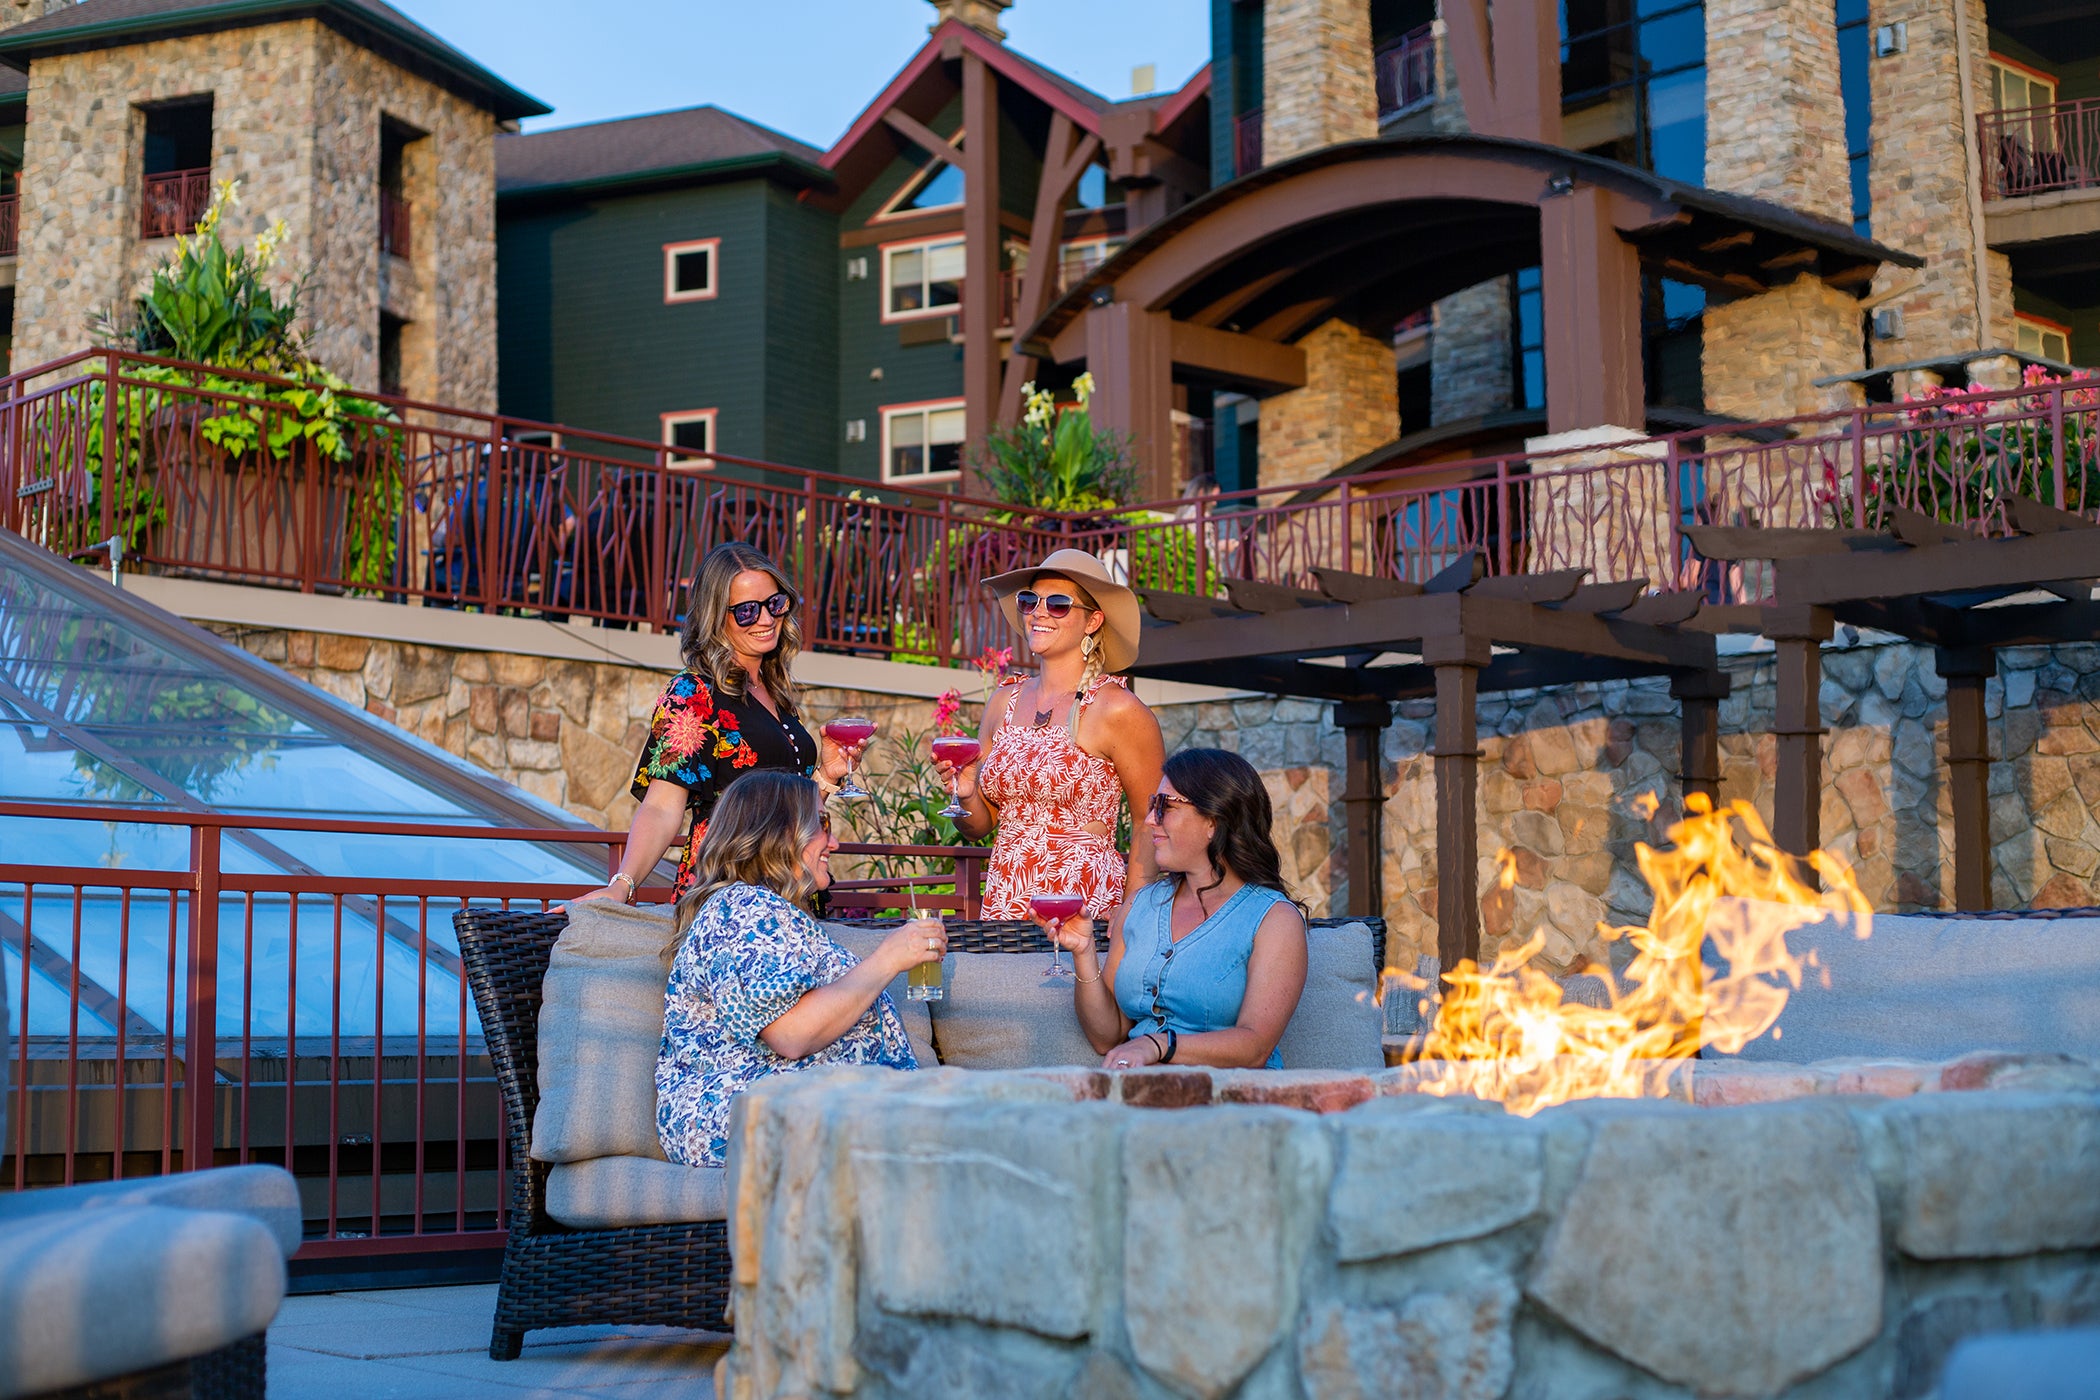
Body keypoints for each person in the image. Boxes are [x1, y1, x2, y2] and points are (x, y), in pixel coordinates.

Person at [655, 772, 943, 1167]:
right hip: (749, 1114)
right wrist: (889, 957)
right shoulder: (742, 910)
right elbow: (790, 1034)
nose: (835, 842)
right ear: (778, 831)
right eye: (822, 824)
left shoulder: (772, 914)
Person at [573, 542, 862, 905]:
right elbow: (662, 806)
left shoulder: (775, 692)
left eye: (774, 604)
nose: (766, 619)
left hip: (789, 890)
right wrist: (622, 885)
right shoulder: (693, 693)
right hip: (727, 893)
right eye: (746, 611)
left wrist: (827, 775)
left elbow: (785, 810)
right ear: (715, 617)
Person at [1036, 749, 1308, 1070]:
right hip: (1142, 1097)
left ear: (1213, 821)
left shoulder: (1274, 920)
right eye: (1153, 805)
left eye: (1166, 806)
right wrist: (1084, 952)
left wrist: (1159, 1044)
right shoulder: (1141, 905)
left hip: (1231, 1102)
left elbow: (1255, 1046)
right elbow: (1106, 1037)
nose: (1151, 819)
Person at [938, 548, 1165, 920]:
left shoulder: (1119, 709)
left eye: (1058, 603)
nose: (1038, 612)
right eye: (1030, 601)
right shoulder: (1002, 702)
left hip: (1083, 906)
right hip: (1007, 899)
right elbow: (979, 827)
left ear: (1093, 622)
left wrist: (1132, 916)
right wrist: (963, 793)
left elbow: (1148, 821)